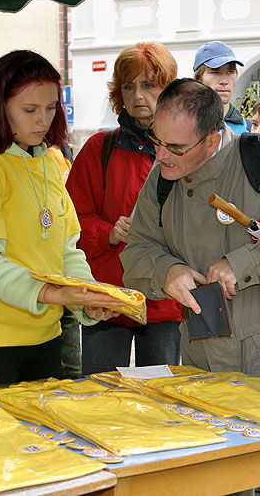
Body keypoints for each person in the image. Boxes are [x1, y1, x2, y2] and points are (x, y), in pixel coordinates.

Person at [121, 78, 260, 496]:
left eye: (176, 148)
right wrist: (165, 270)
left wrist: (244, 263)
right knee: (224, 485)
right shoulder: (162, 178)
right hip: (210, 367)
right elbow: (137, 252)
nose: (161, 155)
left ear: (212, 138)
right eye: (157, 141)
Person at [0, 50, 124, 396]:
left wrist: (85, 296)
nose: (43, 121)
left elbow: (67, 249)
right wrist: (54, 293)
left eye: (51, 108)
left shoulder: (50, 161)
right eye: (30, 110)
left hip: (43, 341)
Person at [66, 42, 182, 375]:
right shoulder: (98, 148)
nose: (137, 95)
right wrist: (109, 232)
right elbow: (71, 223)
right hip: (107, 299)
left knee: (159, 401)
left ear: (168, 89)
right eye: (129, 86)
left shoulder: (185, 151)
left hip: (164, 301)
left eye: (148, 85)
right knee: (99, 398)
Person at [193, 41, 250, 134]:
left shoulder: (249, 129)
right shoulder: (183, 126)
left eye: (230, 72)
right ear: (198, 79)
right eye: (215, 72)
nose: (224, 81)